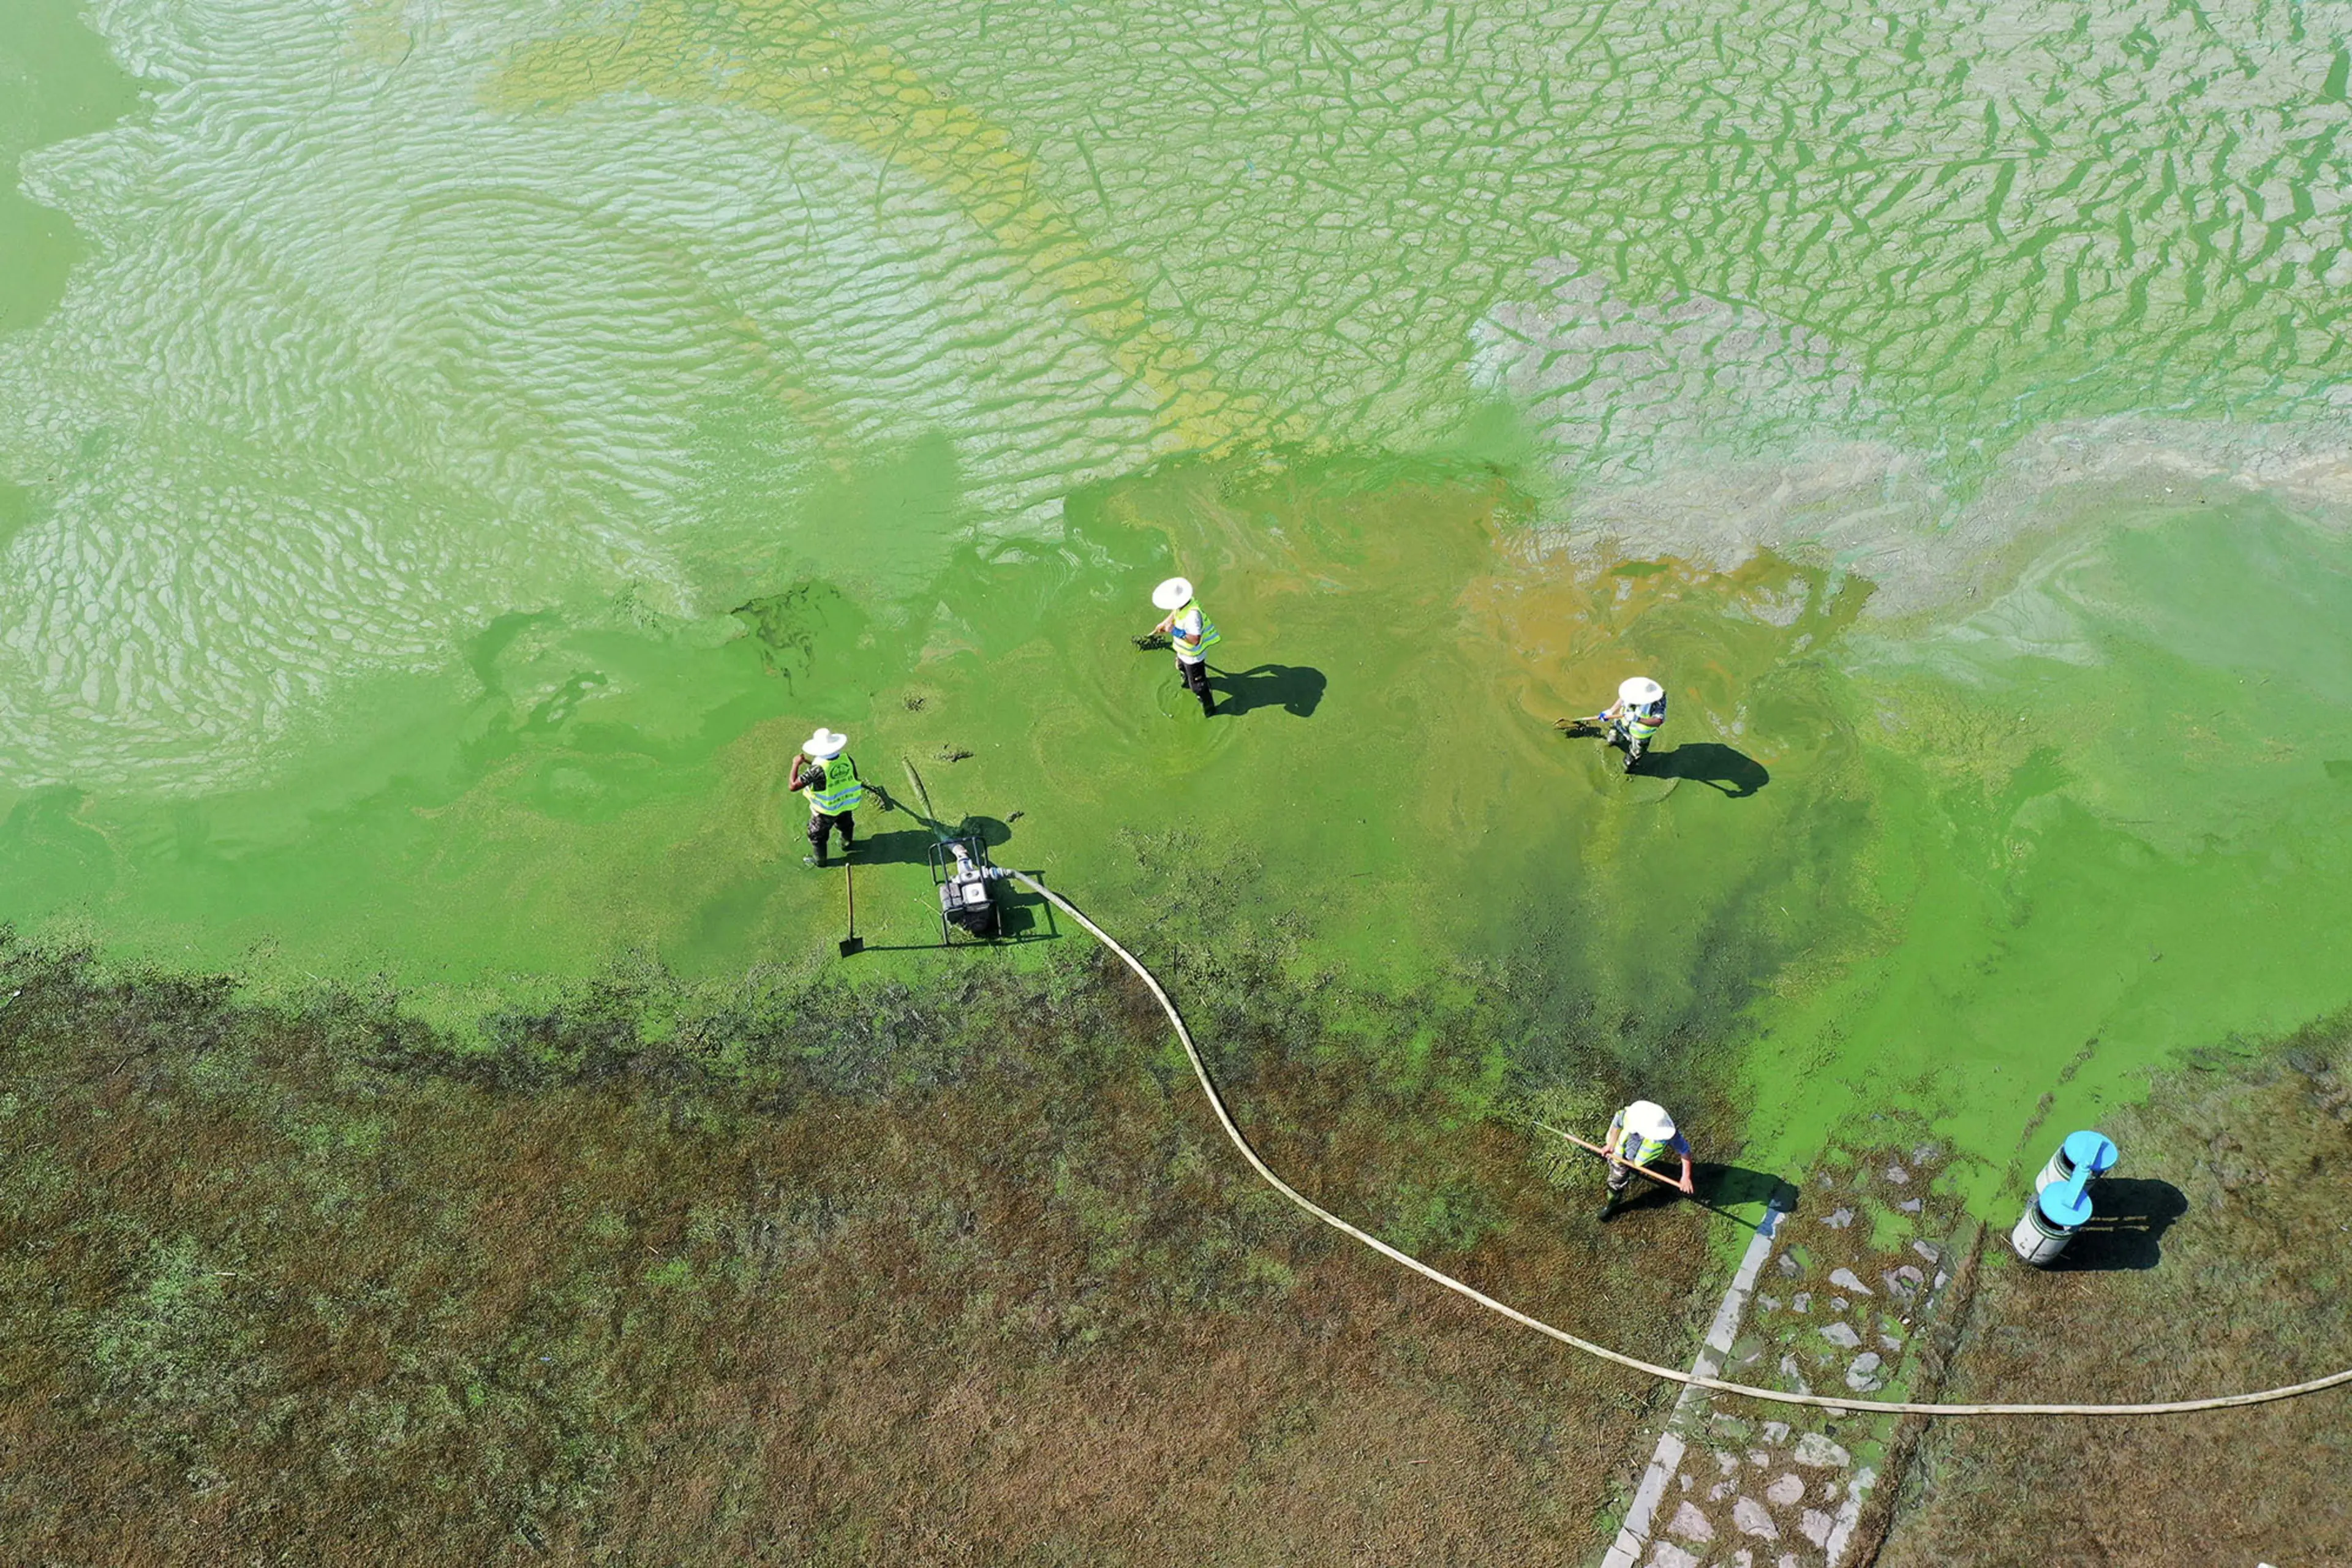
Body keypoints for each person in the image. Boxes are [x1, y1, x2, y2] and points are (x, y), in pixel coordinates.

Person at [789, 728, 864, 865]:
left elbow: (793, 786)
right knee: (846, 825)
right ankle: (846, 844)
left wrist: (795, 764)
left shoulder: (816, 770)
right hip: (845, 804)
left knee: (817, 836)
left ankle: (821, 862)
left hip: (825, 812)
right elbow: (853, 777)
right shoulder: (847, 759)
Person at [1148, 576, 1220, 717]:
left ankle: (1209, 707)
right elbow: (1175, 613)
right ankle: (1186, 680)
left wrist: (1174, 630)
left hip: (1193, 656)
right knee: (1181, 666)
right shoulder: (1184, 604)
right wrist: (1164, 623)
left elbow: (1195, 640)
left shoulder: (1193, 616)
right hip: (1182, 651)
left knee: (1198, 686)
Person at [1602, 1099, 1695, 1199]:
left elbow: (1684, 1150)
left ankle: (1634, 1168)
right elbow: (1618, 1123)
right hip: (1619, 1156)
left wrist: (1686, 1177)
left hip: (1638, 1159)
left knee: (1635, 1166)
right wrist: (1611, 1145)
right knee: (1616, 1180)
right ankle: (1613, 1199)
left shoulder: (1665, 1129)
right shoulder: (1630, 1117)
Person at [1592, 676, 1667, 772]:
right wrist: (1611, 711)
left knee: (1632, 758)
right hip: (1622, 722)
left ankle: (1629, 765)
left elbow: (1658, 721)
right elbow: (1623, 698)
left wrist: (1637, 719)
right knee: (1612, 738)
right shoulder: (1633, 689)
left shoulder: (1658, 701)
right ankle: (1615, 739)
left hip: (1640, 735)